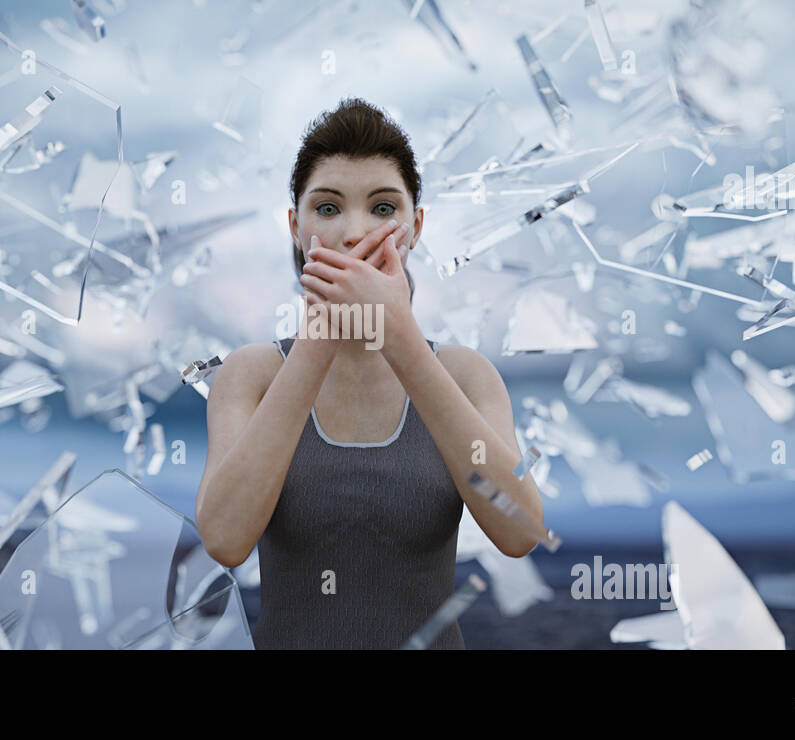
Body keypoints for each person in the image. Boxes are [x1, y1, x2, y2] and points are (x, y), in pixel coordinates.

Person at [195, 98, 543, 649]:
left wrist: (402, 341)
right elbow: (225, 538)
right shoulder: (252, 375)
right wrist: (319, 342)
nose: (355, 232)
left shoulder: (467, 376)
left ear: (416, 226)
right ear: (295, 225)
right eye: (328, 209)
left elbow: (521, 529)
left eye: (383, 208)